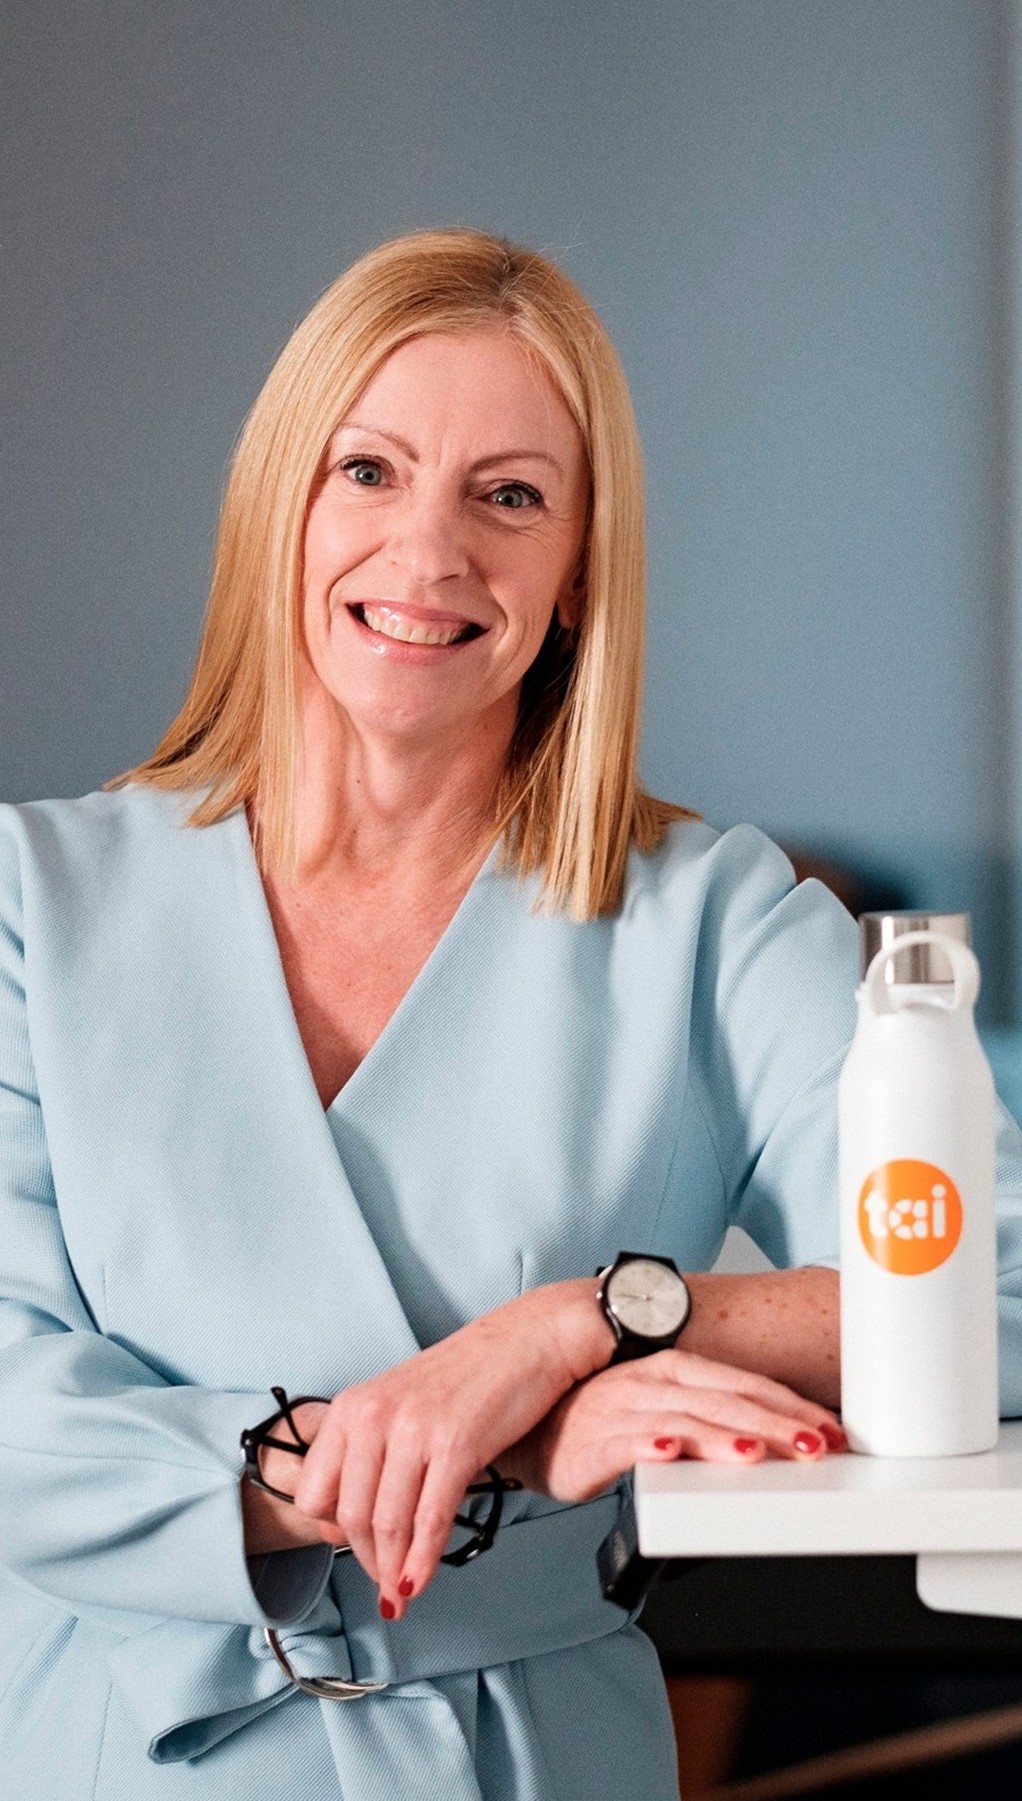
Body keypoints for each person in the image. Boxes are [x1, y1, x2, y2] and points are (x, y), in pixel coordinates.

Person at [1, 227, 1020, 1801]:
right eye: (368, 471)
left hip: (532, 1761)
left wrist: (578, 1323)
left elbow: (988, 1285)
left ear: (577, 571)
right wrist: (462, 1444)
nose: (428, 551)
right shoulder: (31, 900)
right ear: (279, 505)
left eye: (509, 494)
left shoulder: (712, 918)